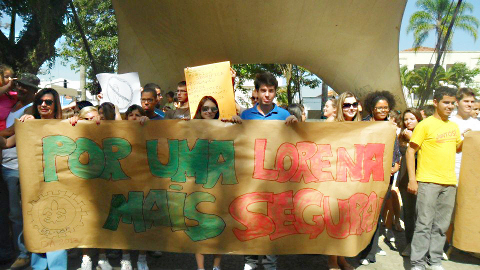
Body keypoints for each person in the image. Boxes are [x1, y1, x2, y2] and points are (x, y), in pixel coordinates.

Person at [229, 72, 296, 270]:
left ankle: (269, 263)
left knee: (272, 220)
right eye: (263, 90)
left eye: (271, 91)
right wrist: (234, 123)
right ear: (256, 92)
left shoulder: (284, 115)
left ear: (275, 92)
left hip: (275, 178)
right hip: (250, 178)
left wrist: (295, 125)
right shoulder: (246, 115)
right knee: (250, 217)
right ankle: (249, 261)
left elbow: (295, 142)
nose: (267, 94)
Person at [407, 86, 462, 270]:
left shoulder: (454, 127)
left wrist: (470, 137)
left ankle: (435, 260)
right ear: (436, 102)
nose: (450, 106)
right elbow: (410, 151)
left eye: (453, 103)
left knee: (441, 225)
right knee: (423, 223)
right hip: (428, 181)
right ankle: (417, 262)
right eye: (446, 102)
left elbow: (457, 148)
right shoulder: (424, 125)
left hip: (449, 182)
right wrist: (412, 180)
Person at [18, 88, 68, 270]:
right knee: (36, 225)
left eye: (48, 102)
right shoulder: (27, 124)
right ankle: (38, 265)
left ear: (56, 105)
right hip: (33, 185)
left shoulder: (66, 125)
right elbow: (8, 142)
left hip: (59, 185)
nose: (43, 105)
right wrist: (24, 125)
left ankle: (57, 266)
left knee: (58, 225)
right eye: (40, 102)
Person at [0, 73, 41, 270]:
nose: (22, 89)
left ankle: (23, 253)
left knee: (17, 215)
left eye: (26, 87)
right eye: (20, 85)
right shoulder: (13, 105)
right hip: (4, 165)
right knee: (8, 214)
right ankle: (12, 252)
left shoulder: (31, 109)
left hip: (17, 168)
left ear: (35, 91)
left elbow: (10, 133)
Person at [359, 90, 400, 266]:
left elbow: (396, 151)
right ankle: (361, 248)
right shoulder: (363, 125)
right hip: (365, 178)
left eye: (386, 107)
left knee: (376, 216)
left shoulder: (390, 126)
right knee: (364, 215)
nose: (383, 110)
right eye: (379, 108)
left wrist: (396, 164)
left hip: (384, 179)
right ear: (372, 108)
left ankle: (371, 252)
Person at [326, 91, 359, 270]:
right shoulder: (332, 123)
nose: (351, 108)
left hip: (353, 180)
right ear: (340, 107)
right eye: (346, 105)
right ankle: (332, 261)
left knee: (347, 222)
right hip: (333, 179)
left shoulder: (360, 126)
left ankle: (342, 259)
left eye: (354, 104)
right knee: (335, 221)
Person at [191, 96, 222, 270]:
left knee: (220, 225)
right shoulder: (190, 127)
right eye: (206, 109)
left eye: (213, 109)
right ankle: (201, 268)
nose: (210, 112)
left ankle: (216, 266)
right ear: (199, 111)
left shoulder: (226, 126)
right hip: (198, 184)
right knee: (199, 226)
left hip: (221, 184)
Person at [396, 108, 423, 257]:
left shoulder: (423, 134)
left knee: (422, 214)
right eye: (406, 119)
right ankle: (410, 243)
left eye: (412, 118)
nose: (408, 122)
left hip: (421, 177)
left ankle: (422, 245)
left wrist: (413, 138)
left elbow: (424, 154)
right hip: (404, 178)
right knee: (408, 212)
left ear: (418, 119)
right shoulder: (401, 135)